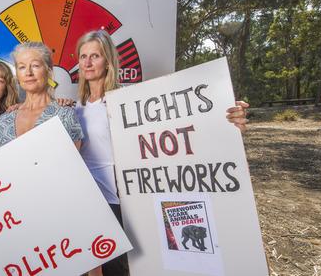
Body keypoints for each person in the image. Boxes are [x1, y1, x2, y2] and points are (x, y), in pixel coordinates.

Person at [74, 30, 249, 276]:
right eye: (83, 57)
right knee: (97, 268)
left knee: (132, 267)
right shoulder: (75, 107)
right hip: (91, 200)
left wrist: (225, 114)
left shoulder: (131, 100)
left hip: (127, 199)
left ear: (108, 61)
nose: (88, 62)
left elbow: (182, 124)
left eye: (95, 56)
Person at [0, 42, 83, 149]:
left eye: (35, 66)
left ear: (48, 71)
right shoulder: (4, 120)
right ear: (17, 75)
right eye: (22, 67)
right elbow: (0, 163)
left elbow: (73, 163)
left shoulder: (65, 115)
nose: (28, 73)